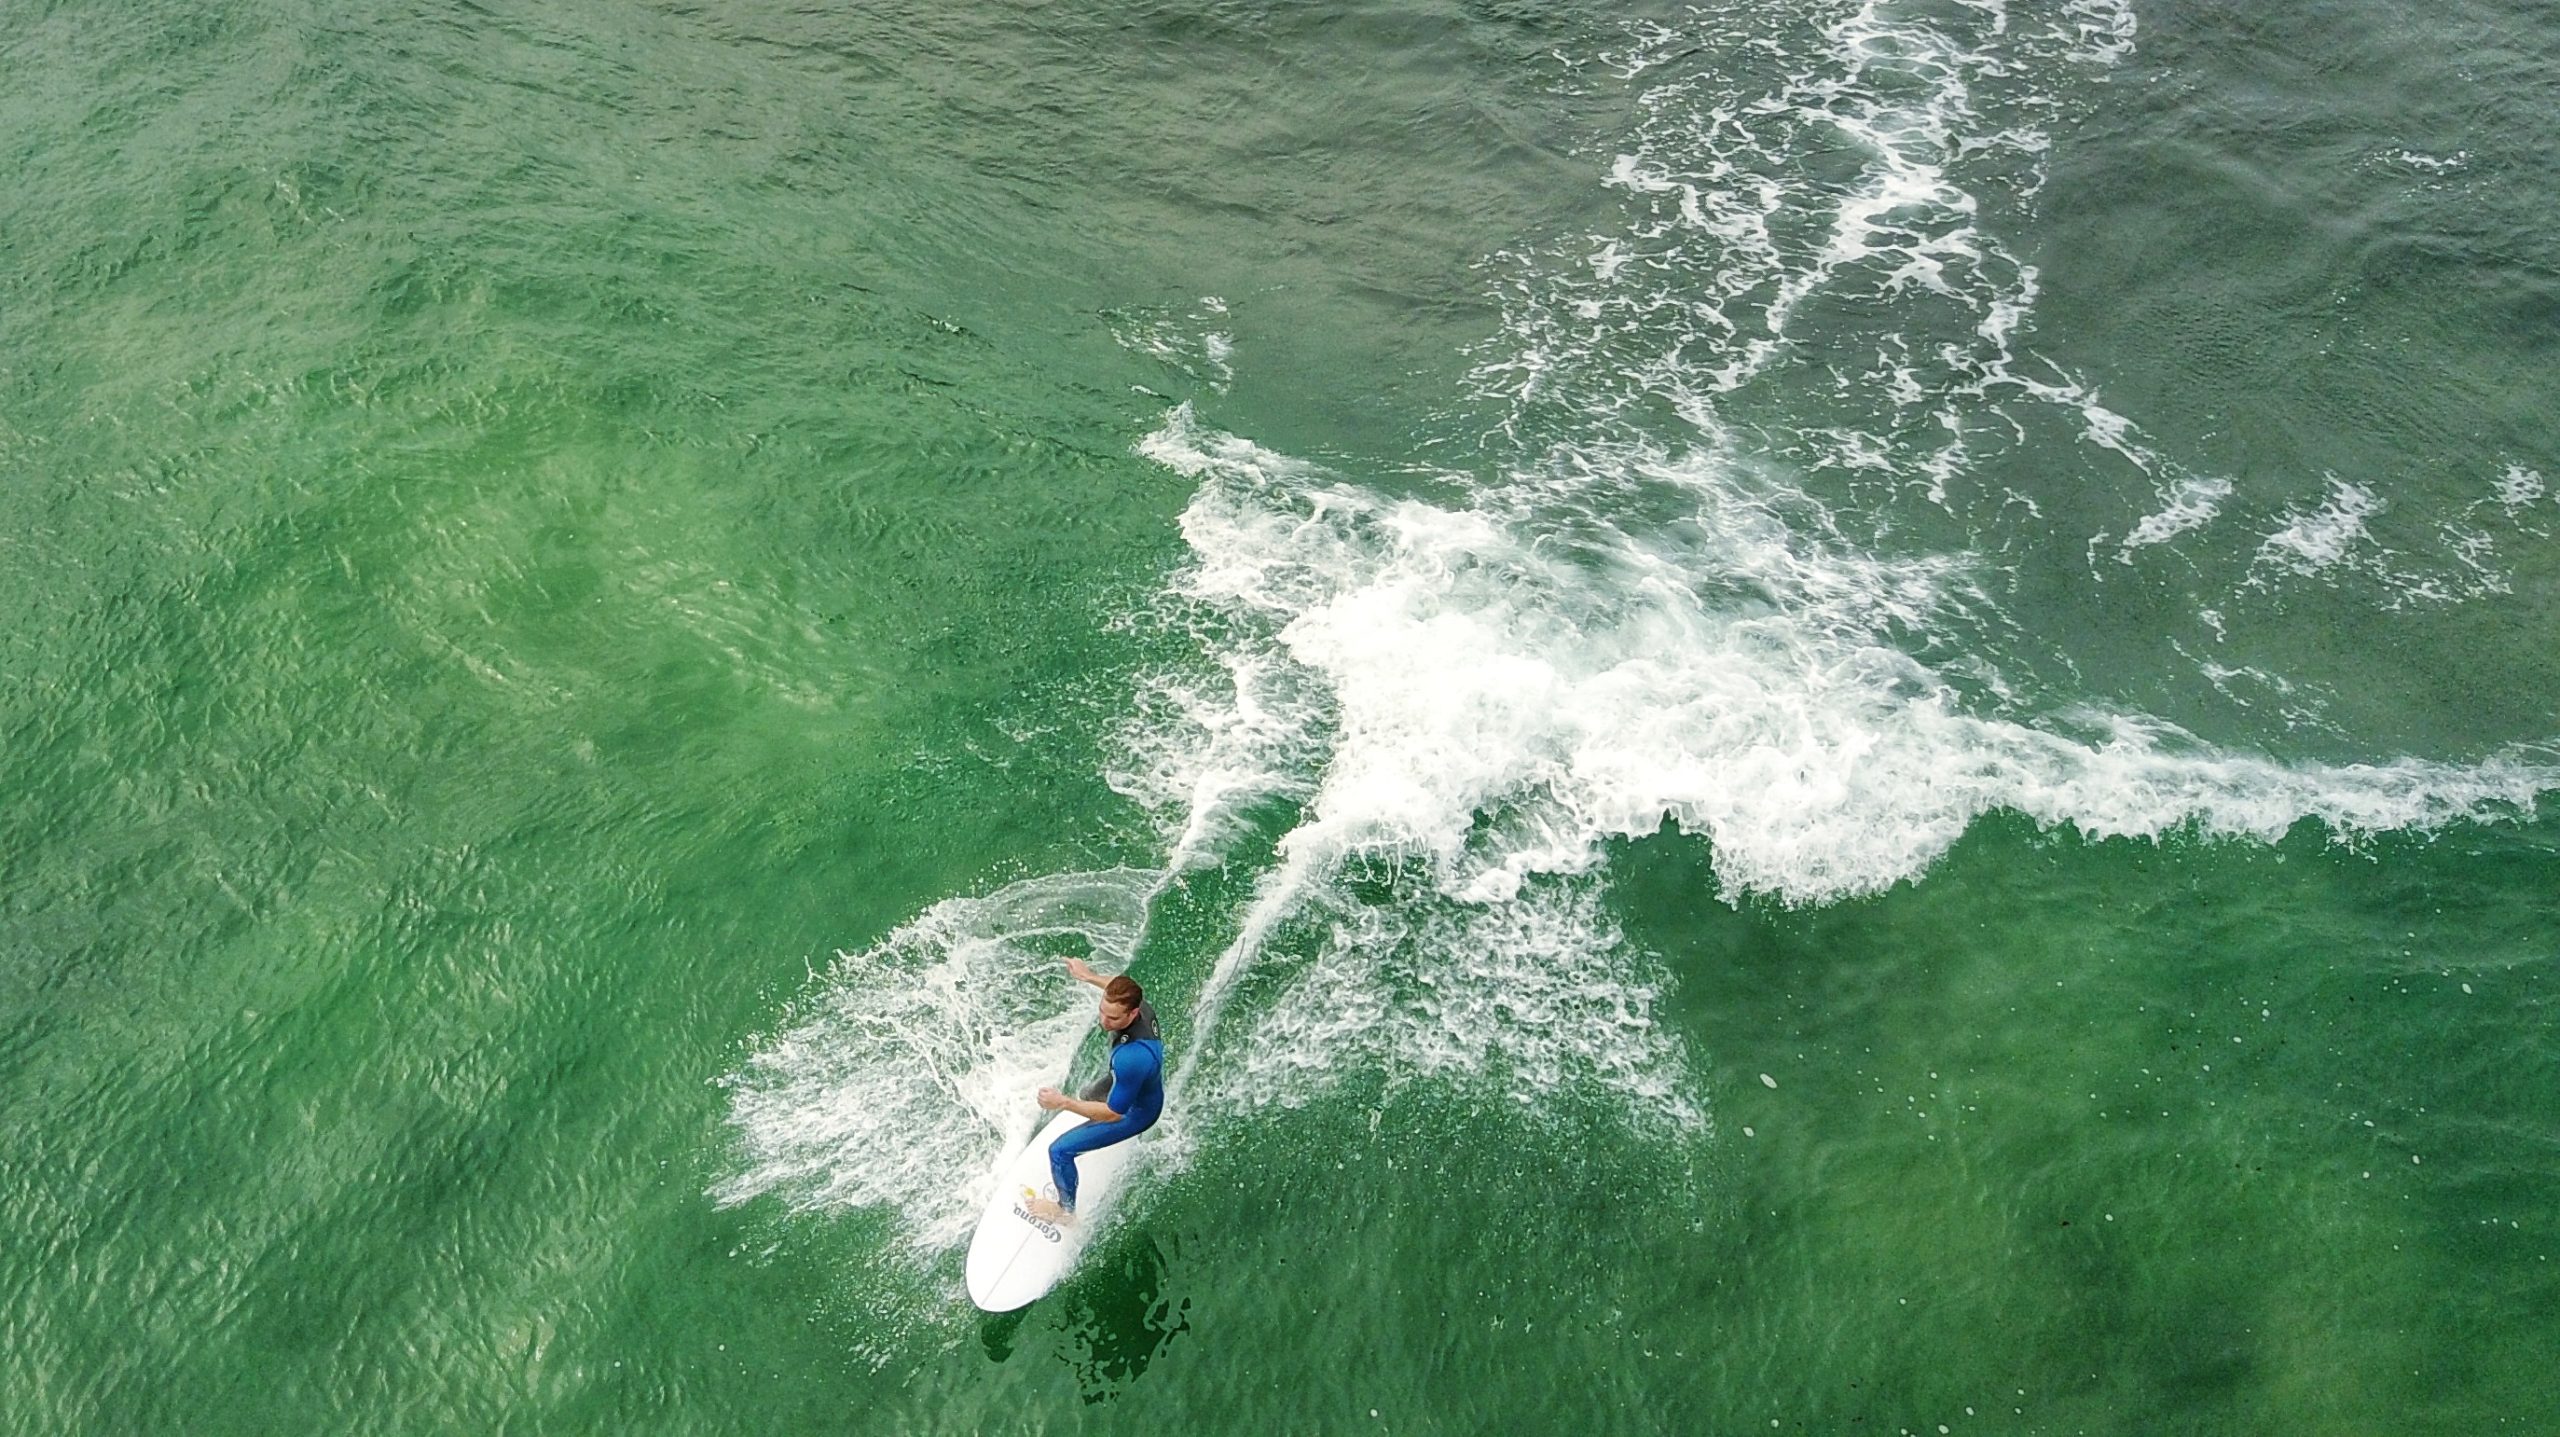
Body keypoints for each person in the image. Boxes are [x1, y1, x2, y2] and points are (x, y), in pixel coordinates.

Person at [1022, 957, 1164, 1226]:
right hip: (1131, 1080)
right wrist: (1088, 976)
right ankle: (1090, 1132)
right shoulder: (1137, 1004)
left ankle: (1065, 1212)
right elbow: (1114, 986)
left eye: (1113, 1018)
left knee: (1059, 1151)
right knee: (1088, 1095)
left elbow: (1113, 1113)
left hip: (1138, 1112)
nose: (1104, 1021)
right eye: (1102, 1012)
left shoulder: (1132, 1058)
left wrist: (1063, 1102)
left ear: (1133, 1014)